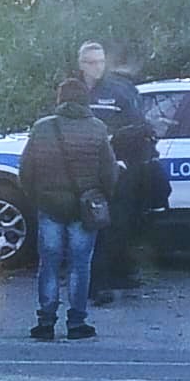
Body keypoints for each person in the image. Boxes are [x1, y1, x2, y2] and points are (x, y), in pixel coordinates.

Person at [18, 79, 119, 341]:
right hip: (84, 208)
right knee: (80, 265)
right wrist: (101, 197)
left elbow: (25, 171)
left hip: (50, 207)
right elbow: (109, 172)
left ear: (60, 99)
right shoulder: (97, 128)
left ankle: (45, 322)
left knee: (49, 265)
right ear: (85, 99)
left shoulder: (42, 128)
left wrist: (37, 198)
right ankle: (76, 324)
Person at [77, 41, 154, 300]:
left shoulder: (117, 91)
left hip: (117, 169)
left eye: (100, 61)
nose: (96, 67)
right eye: (91, 62)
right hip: (86, 169)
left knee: (114, 225)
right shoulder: (74, 92)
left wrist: (123, 159)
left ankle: (111, 278)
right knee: (94, 226)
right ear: (81, 64)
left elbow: (138, 129)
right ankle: (98, 281)